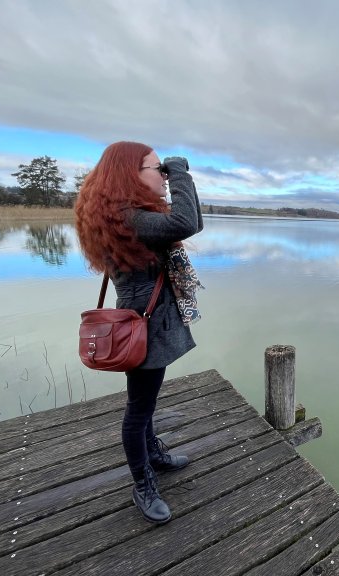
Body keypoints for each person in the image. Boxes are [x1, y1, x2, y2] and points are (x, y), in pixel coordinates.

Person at [74, 141, 204, 524]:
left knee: (146, 401)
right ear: (132, 174)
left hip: (149, 320)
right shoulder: (131, 219)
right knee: (138, 409)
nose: (163, 177)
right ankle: (142, 481)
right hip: (142, 325)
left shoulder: (123, 215)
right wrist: (180, 170)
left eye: (165, 171)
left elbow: (186, 220)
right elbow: (187, 223)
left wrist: (173, 175)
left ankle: (154, 455)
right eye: (157, 169)